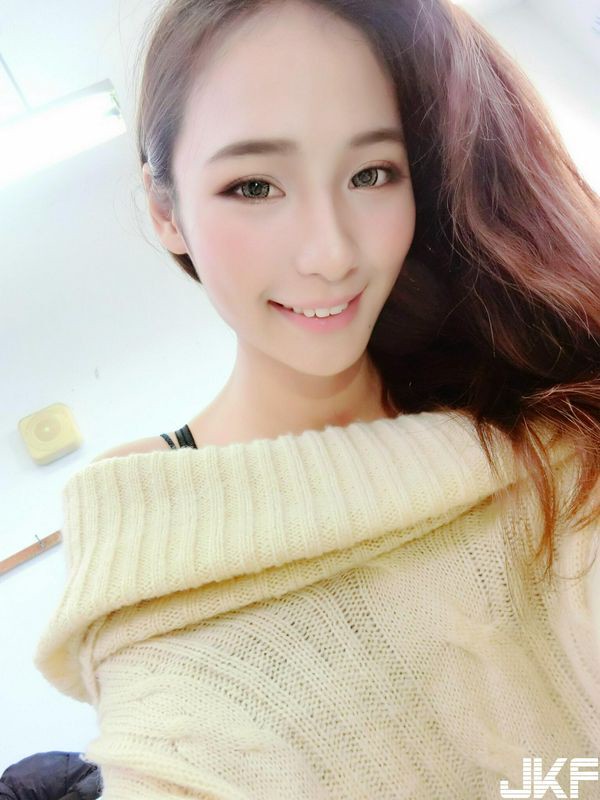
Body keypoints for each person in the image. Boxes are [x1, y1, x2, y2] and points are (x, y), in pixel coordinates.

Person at [34, 0, 599, 797]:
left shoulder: (531, 418)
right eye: (254, 185)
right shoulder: (150, 526)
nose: (332, 254)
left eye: (372, 173)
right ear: (166, 212)